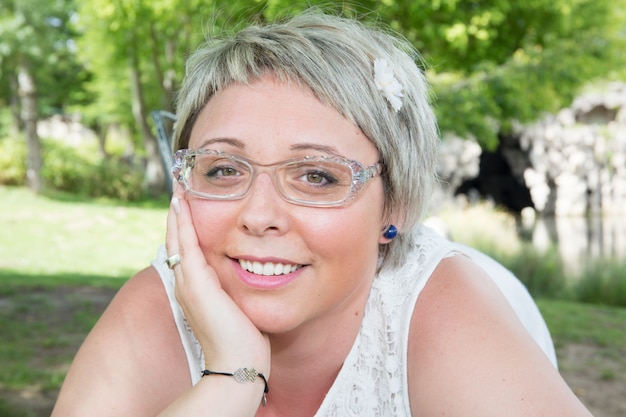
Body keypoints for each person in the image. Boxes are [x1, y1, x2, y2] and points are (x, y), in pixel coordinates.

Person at [51, 10, 594, 417]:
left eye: (317, 176)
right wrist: (231, 380)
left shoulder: (447, 314)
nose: (259, 215)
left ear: (397, 205)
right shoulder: (156, 309)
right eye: (223, 169)